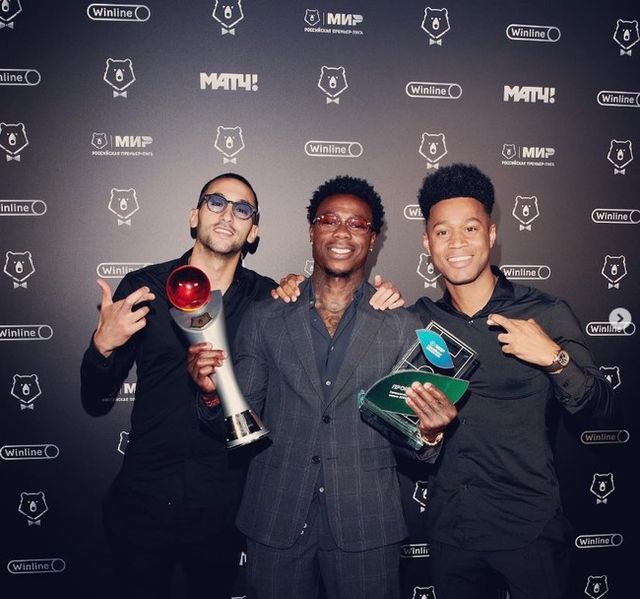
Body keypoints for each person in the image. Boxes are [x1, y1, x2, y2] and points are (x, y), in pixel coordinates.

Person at [188, 175, 458, 599]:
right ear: (311, 231)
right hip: (275, 517)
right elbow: (241, 422)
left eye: (357, 224)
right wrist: (210, 393)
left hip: (367, 524)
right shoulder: (265, 317)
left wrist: (428, 432)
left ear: (372, 239)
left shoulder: (402, 326)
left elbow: (410, 441)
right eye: (329, 220)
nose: (342, 232)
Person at [409, 163, 615, 599]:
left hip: (530, 529)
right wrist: (426, 435)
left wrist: (554, 359)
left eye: (470, 228)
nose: (457, 243)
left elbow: (600, 409)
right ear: (427, 242)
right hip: (452, 531)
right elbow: (400, 438)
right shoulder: (416, 322)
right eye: (443, 232)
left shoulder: (545, 312)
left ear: (491, 233)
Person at [80, 173, 277, 599]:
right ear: (194, 215)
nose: (228, 214)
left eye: (243, 209)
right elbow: (94, 399)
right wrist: (102, 345)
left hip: (223, 507)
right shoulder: (145, 290)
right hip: (144, 499)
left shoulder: (269, 299)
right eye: (216, 202)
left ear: (253, 231)